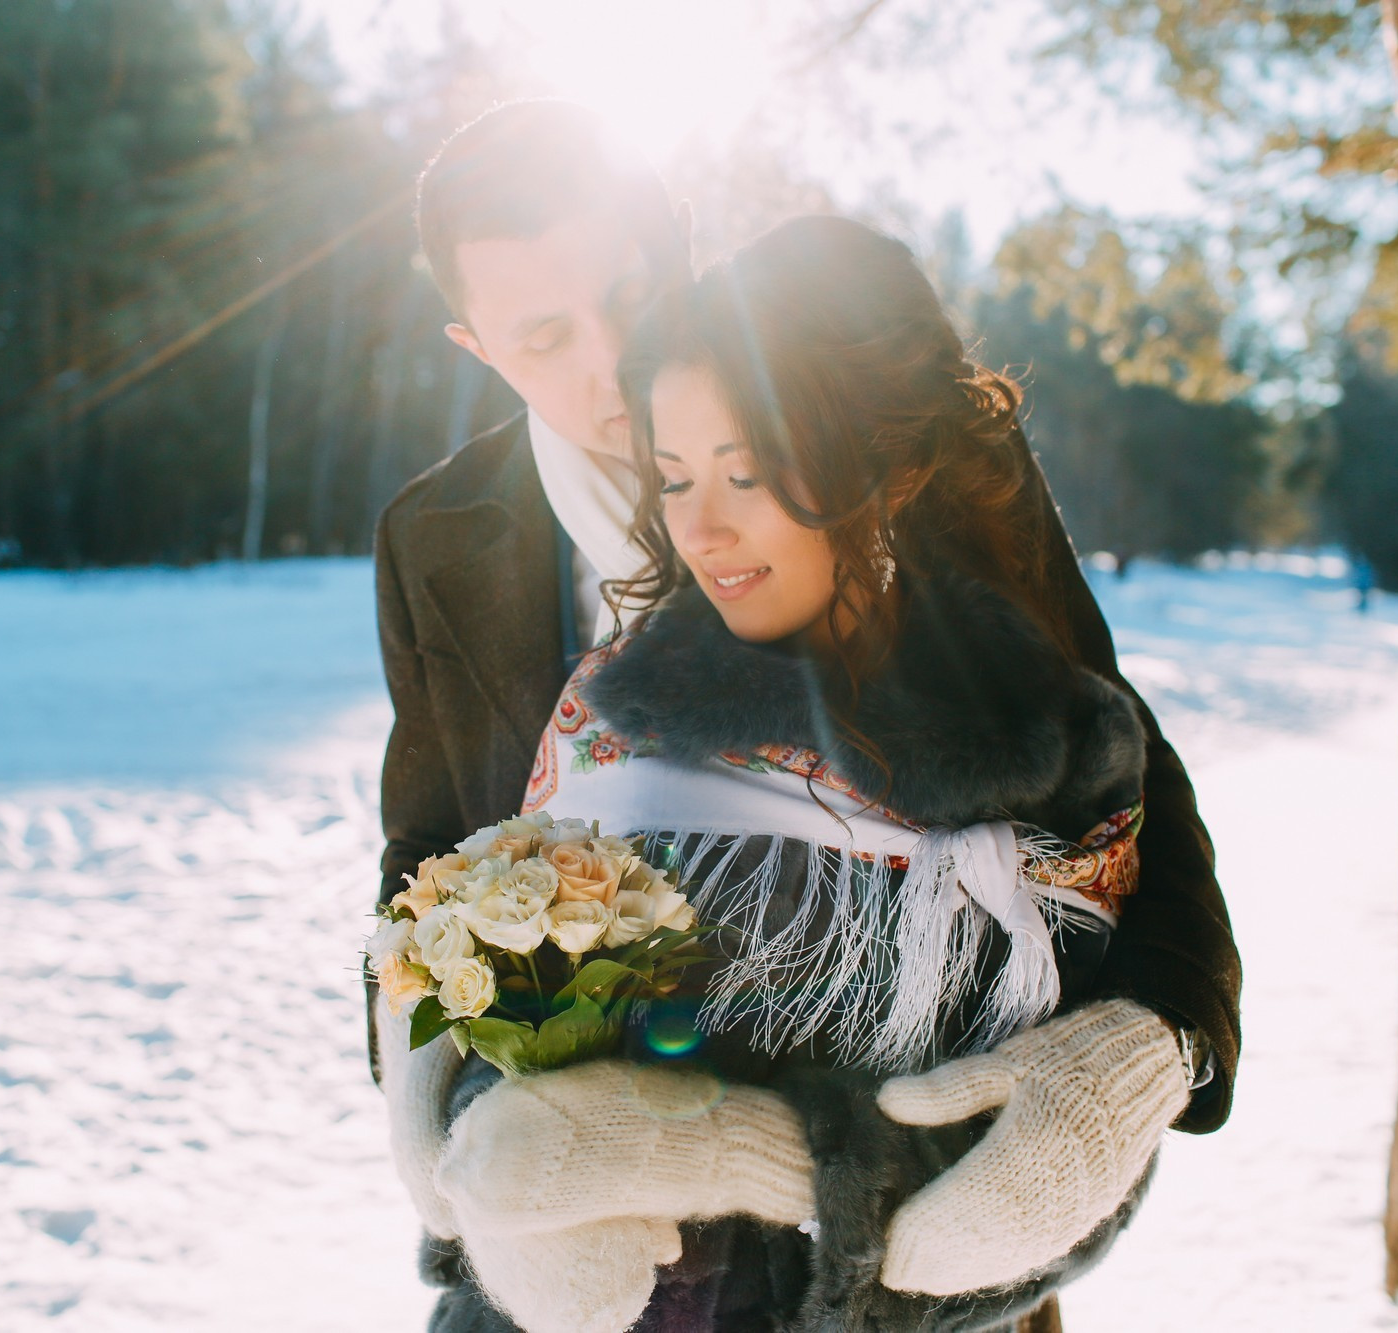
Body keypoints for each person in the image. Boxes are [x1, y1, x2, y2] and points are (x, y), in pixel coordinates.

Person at [370, 101, 1241, 1332]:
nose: (608, 355)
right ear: (475, 344)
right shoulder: (434, 539)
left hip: (903, 1201)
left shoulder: (893, 438)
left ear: (678, 240)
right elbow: (428, 843)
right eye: (546, 333)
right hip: (576, 1217)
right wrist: (413, 1040)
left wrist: (1159, 1037)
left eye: (630, 287)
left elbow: (1115, 766)